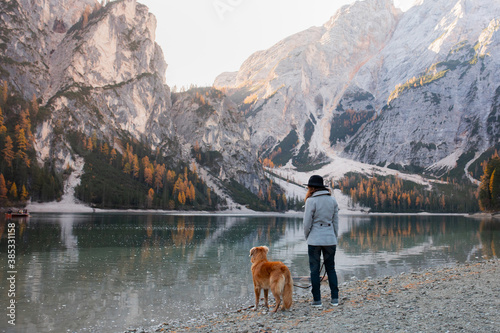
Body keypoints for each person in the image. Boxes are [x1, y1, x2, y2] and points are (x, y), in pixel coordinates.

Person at [303, 175, 339, 307]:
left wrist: (307, 236)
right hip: (330, 239)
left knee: (314, 270)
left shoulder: (311, 201)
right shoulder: (332, 200)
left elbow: (307, 223)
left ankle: (317, 300)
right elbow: (335, 222)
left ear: (312, 188)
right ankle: (335, 298)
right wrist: (334, 237)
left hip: (314, 240)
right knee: (331, 269)